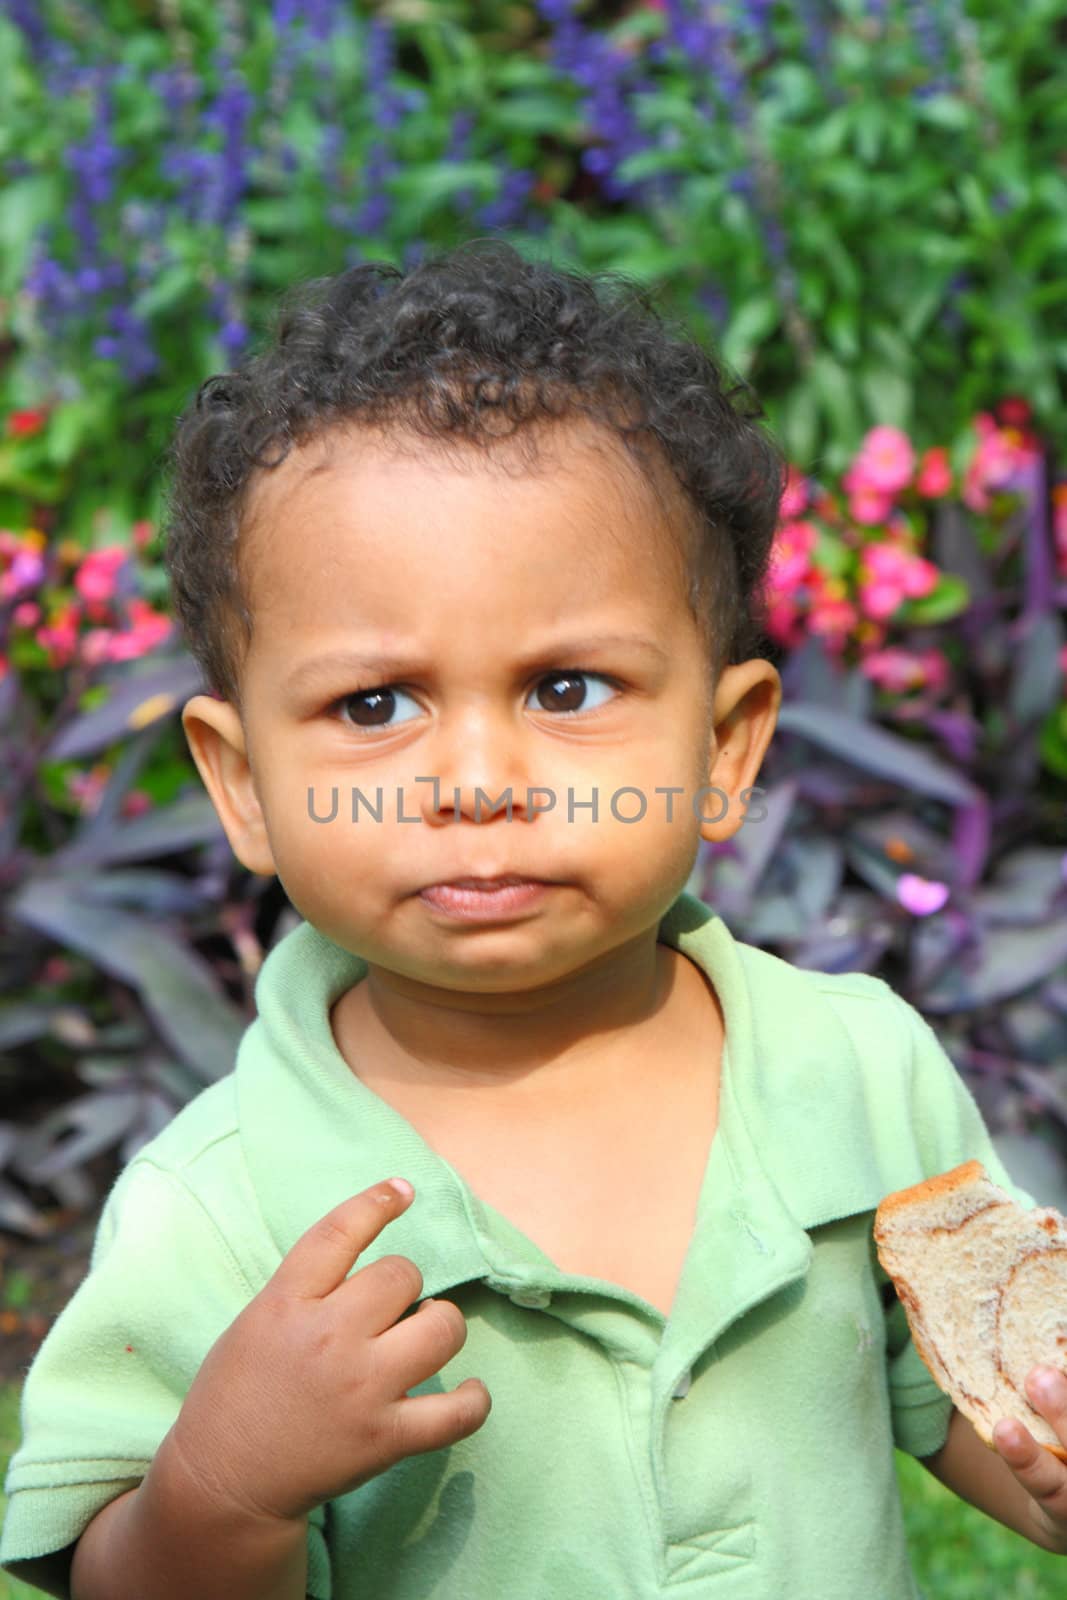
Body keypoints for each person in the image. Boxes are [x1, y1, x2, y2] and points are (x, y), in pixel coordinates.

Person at [3, 239, 1066, 1600]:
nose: (478, 784)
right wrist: (222, 1484)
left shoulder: (855, 1071)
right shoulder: (220, 1208)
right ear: (241, 784)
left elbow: (987, 1423)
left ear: (728, 744)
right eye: (374, 706)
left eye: (567, 688)